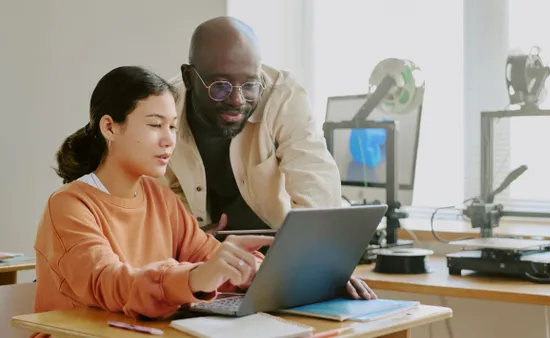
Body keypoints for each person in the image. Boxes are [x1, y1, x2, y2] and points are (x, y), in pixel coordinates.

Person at [32, 66, 272, 336]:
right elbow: (110, 284)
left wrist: (251, 270)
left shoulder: (161, 198)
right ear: (110, 127)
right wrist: (196, 277)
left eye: (172, 126)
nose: (169, 140)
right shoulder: (69, 205)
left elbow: (208, 256)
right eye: (155, 125)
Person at [162, 16, 376, 300]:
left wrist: (321, 265)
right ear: (190, 77)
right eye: (220, 86)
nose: (237, 100)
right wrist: (195, 238)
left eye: (250, 85)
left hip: (284, 257)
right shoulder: (166, 105)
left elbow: (316, 184)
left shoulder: (282, 96)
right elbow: (165, 189)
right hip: (207, 263)